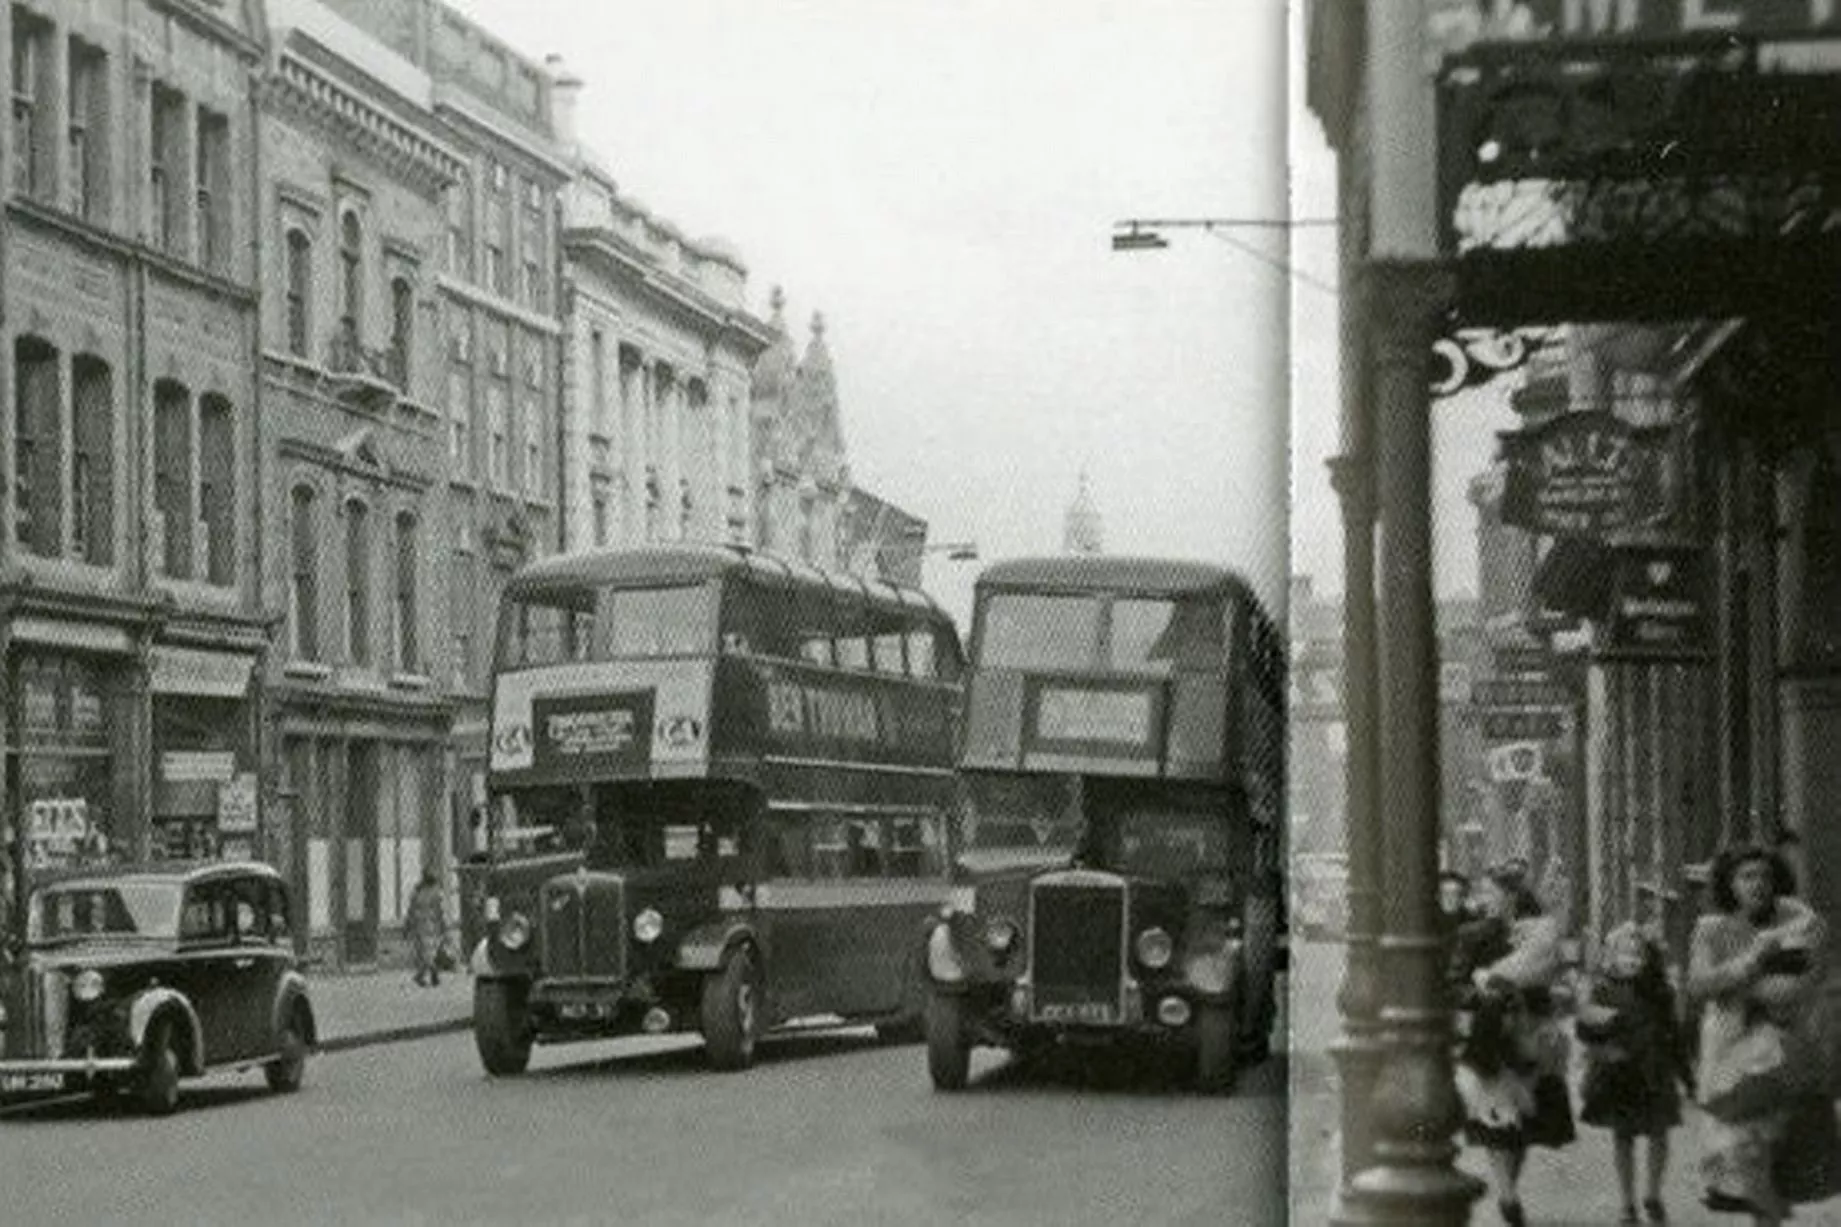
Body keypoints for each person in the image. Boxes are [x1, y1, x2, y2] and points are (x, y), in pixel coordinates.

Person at [1688, 843, 1833, 1225]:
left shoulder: (1800, 925)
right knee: (1744, 1156)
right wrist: (1753, 961)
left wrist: (1739, 983)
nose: (1758, 884)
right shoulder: (1712, 930)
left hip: (1787, 1054)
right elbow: (1699, 985)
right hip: (1729, 1057)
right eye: (1746, 876)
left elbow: (1802, 982)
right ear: (1729, 884)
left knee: (1779, 1159)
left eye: (1766, 876)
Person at [1453, 864, 1576, 1227]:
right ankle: (1507, 1196)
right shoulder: (1472, 935)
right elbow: (1456, 983)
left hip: (1534, 1032)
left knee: (1524, 1124)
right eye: (1483, 894)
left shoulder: (1540, 933)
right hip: (1491, 1033)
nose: (1485, 900)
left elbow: (1561, 977)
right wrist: (1482, 995)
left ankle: (1510, 1188)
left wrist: (1558, 994)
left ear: (1511, 896)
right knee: (1495, 1118)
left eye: (1491, 893)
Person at [1578, 921, 1693, 1224]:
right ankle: (1627, 1203)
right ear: (1611, 957)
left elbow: (1674, 1035)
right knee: (1623, 1138)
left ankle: (1653, 1194)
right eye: (1624, 954)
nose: (1632, 961)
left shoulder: (1660, 991)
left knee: (1660, 1134)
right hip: (1619, 1074)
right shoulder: (1602, 990)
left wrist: (1688, 1078)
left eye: (1638, 955)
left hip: (1655, 1071)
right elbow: (1586, 1030)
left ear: (1648, 958)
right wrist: (1601, 1048)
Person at [406, 869, 447, 988]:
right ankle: (431, 974)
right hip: (431, 925)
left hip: (420, 924)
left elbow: (411, 909)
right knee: (429, 952)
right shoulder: (436, 892)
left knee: (425, 952)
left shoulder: (417, 891)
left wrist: (408, 924)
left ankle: (424, 975)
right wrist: (443, 925)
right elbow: (440, 911)